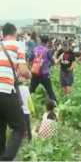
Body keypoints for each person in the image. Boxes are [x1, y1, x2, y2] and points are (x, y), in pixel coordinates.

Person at [0, 23, 32, 161]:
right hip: (6, 88)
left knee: (1, 123)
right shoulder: (18, 45)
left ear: (3, 34)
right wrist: (30, 75)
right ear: (14, 33)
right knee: (19, 126)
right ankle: (6, 159)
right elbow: (23, 71)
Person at [28, 35, 57, 102]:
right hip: (44, 74)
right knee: (50, 91)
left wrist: (31, 68)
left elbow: (29, 59)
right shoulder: (47, 51)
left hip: (34, 73)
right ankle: (56, 106)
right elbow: (53, 63)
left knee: (31, 90)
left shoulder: (35, 49)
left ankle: (26, 104)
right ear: (47, 42)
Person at [18, 73, 35, 142]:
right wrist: (32, 110)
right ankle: (29, 140)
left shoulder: (14, 89)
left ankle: (20, 139)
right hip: (25, 111)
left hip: (17, 111)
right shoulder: (25, 89)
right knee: (28, 127)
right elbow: (29, 100)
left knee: (19, 127)